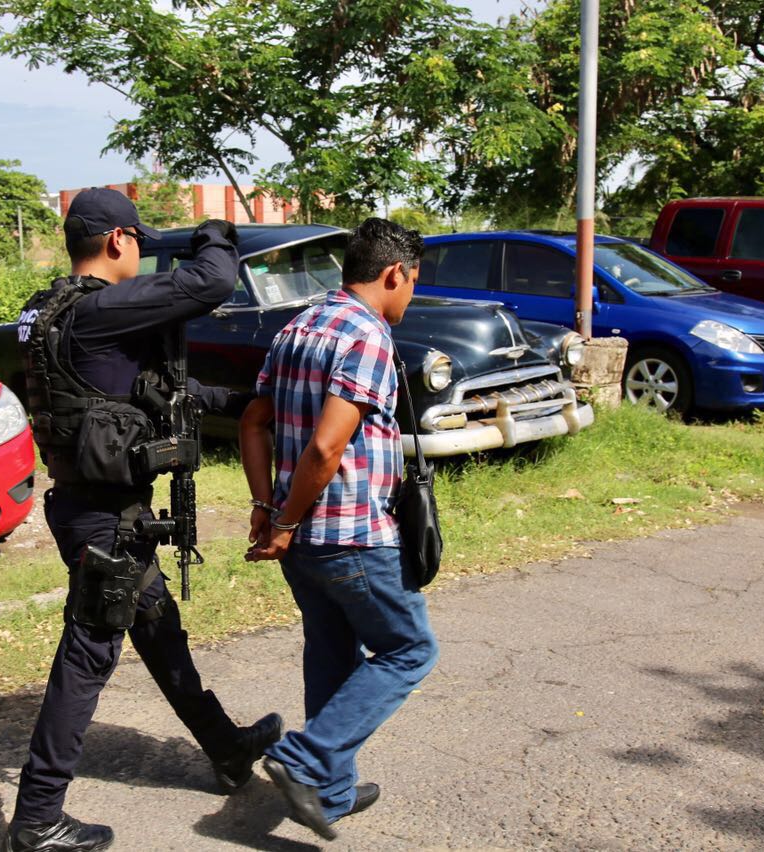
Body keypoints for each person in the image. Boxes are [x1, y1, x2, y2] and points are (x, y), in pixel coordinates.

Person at [6, 188, 282, 852]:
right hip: (103, 520)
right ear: (120, 242)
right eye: (139, 240)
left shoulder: (47, 311)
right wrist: (213, 233)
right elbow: (214, 279)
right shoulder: (97, 310)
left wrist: (258, 400)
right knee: (88, 654)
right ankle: (37, 818)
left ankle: (226, 747)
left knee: (159, 631)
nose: (143, 251)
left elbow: (159, 397)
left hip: (96, 508)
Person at [239, 217, 440, 840]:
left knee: (331, 655)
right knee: (409, 649)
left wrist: (268, 510)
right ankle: (303, 759)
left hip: (301, 540)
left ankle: (330, 790)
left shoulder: (299, 325)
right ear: (393, 274)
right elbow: (326, 448)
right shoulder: (367, 335)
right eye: (412, 284)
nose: (410, 297)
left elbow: (253, 422)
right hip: (350, 535)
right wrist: (288, 517)